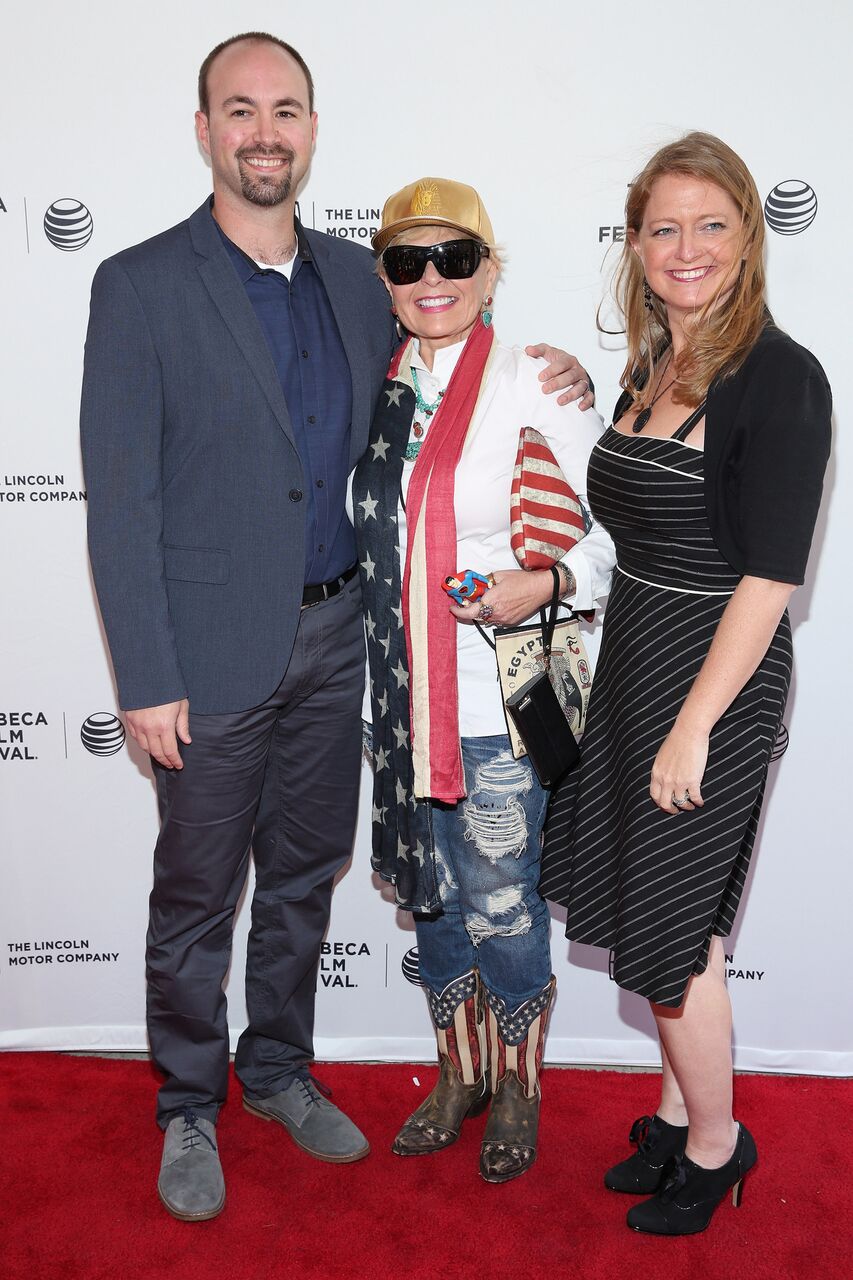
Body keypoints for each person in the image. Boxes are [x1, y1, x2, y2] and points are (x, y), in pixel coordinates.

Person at [79, 35, 592, 1222]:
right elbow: (123, 498)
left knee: (303, 878)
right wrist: (145, 673)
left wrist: (551, 366)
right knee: (198, 890)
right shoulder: (140, 283)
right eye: (241, 109)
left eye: (288, 110)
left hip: (343, 647)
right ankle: (188, 1103)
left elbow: (452, 343)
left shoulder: (361, 285)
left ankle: (278, 1068)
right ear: (204, 127)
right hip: (204, 657)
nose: (267, 131)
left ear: (312, 131)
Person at [540, 132, 831, 1234]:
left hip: (718, 670)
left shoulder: (783, 377)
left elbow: (766, 579)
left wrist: (694, 727)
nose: (685, 246)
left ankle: (718, 1144)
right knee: (663, 921)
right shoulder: (652, 356)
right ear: (636, 243)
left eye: (710, 223)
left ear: (747, 234)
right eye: (662, 226)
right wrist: (573, 377)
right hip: (634, 652)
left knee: (671, 936)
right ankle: (674, 1108)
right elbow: (624, 507)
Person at [351, 178, 615, 1183]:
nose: (431, 278)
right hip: (401, 702)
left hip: (498, 704)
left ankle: (519, 1086)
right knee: (433, 904)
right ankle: (456, 1074)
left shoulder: (536, 383)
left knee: (501, 907)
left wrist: (540, 578)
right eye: (407, 260)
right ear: (383, 278)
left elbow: (609, 541)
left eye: (454, 258)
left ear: (490, 270)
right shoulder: (374, 389)